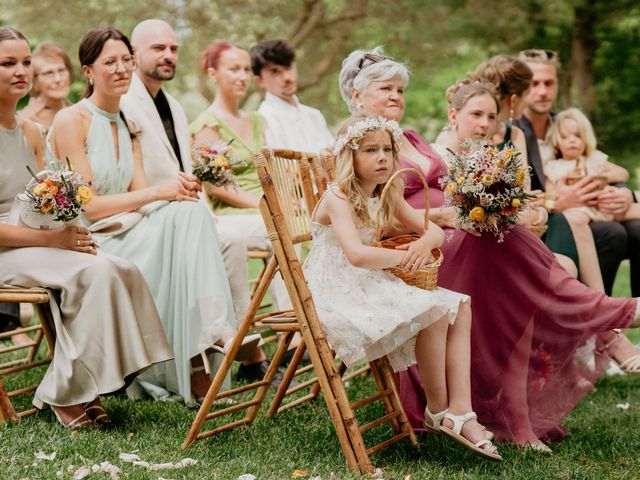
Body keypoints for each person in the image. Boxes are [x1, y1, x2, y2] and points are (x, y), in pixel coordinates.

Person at [338, 47, 640, 450]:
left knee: (502, 235)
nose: (396, 96)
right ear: (357, 96)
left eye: (400, 89)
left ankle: (523, 407)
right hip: (412, 255)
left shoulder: (407, 137)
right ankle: (606, 314)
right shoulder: (353, 143)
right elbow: (368, 217)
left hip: (449, 238)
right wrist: (438, 221)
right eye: (385, 88)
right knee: (502, 244)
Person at [48, 27, 248, 406]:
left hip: (130, 230)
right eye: (111, 62)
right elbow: (88, 206)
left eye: (126, 60)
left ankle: (213, 330)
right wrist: (162, 191)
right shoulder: (72, 120)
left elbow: (140, 200)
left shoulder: (127, 124)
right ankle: (208, 340)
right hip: (91, 239)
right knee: (182, 214)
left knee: (190, 214)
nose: (122, 68)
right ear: (88, 70)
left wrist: (178, 194)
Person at [0, 26, 172, 427]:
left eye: (26, 62)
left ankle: (89, 386)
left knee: (120, 268)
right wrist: (57, 239)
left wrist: (66, 231)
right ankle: (68, 394)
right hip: (6, 252)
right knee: (94, 272)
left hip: (35, 241)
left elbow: (53, 198)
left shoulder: (30, 131)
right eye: (8, 63)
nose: (21, 70)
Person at [305, 113, 501, 461]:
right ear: (349, 156)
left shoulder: (385, 192)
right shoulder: (338, 196)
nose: (381, 157)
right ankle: (439, 408)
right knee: (434, 311)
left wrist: (425, 243)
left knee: (461, 305)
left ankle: (459, 409)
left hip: (373, 278)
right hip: (339, 285)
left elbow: (434, 230)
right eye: (369, 150)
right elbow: (356, 255)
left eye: (386, 149)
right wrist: (404, 258)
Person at [120, 19, 262, 363]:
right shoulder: (123, 101)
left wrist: (203, 207)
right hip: (143, 216)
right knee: (225, 237)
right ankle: (220, 336)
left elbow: (184, 169)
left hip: (189, 209)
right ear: (134, 53)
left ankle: (243, 344)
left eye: (173, 49)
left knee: (232, 241)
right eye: (159, 48)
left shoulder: (176, 106)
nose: (168, 55)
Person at [190, 40, 294, 381]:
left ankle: (292, 335)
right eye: (233, 69)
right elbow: (213, 185)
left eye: (246, 69)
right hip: (232, 213)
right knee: (276, 232)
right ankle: (256, 346)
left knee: (294, 228)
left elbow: (270, 169)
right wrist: (261, 205)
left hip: (266, 209)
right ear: (212, 74)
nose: (242, 76)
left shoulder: (257, 120)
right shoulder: (206, 124)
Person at [515, 49, 640, 297]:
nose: (542, 91)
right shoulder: (514, 131)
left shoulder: (565, 124)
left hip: (591, 209)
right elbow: (521, 196)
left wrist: (625, 195)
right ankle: (594, 319)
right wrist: (556, 201)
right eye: (534, 84)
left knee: (637, 230)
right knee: (612, 234)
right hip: (548, 221)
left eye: (549, 83)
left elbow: (597, 163)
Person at [546, 107, 640, 223]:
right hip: (577, 209)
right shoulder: (554, 167)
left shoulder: (592, 159)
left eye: (577, 135)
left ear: (586, 138)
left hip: (604, 206)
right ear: (556, 142)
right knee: (576, 221)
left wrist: (598, 178)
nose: (572, 140)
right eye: (565, 137)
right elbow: (549, 195)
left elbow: (623, 173)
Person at [251, 39, 333, 153]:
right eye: (275, 71)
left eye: (288, 67)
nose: (287, 77)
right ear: (259, 81)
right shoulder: (263, 121)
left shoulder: (314, 116)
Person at [18, 42, 73, 130]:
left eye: (61, 70)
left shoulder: (80, 112)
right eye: (49, 73)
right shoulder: (25, 120)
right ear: (34, 81)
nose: (58, 79)